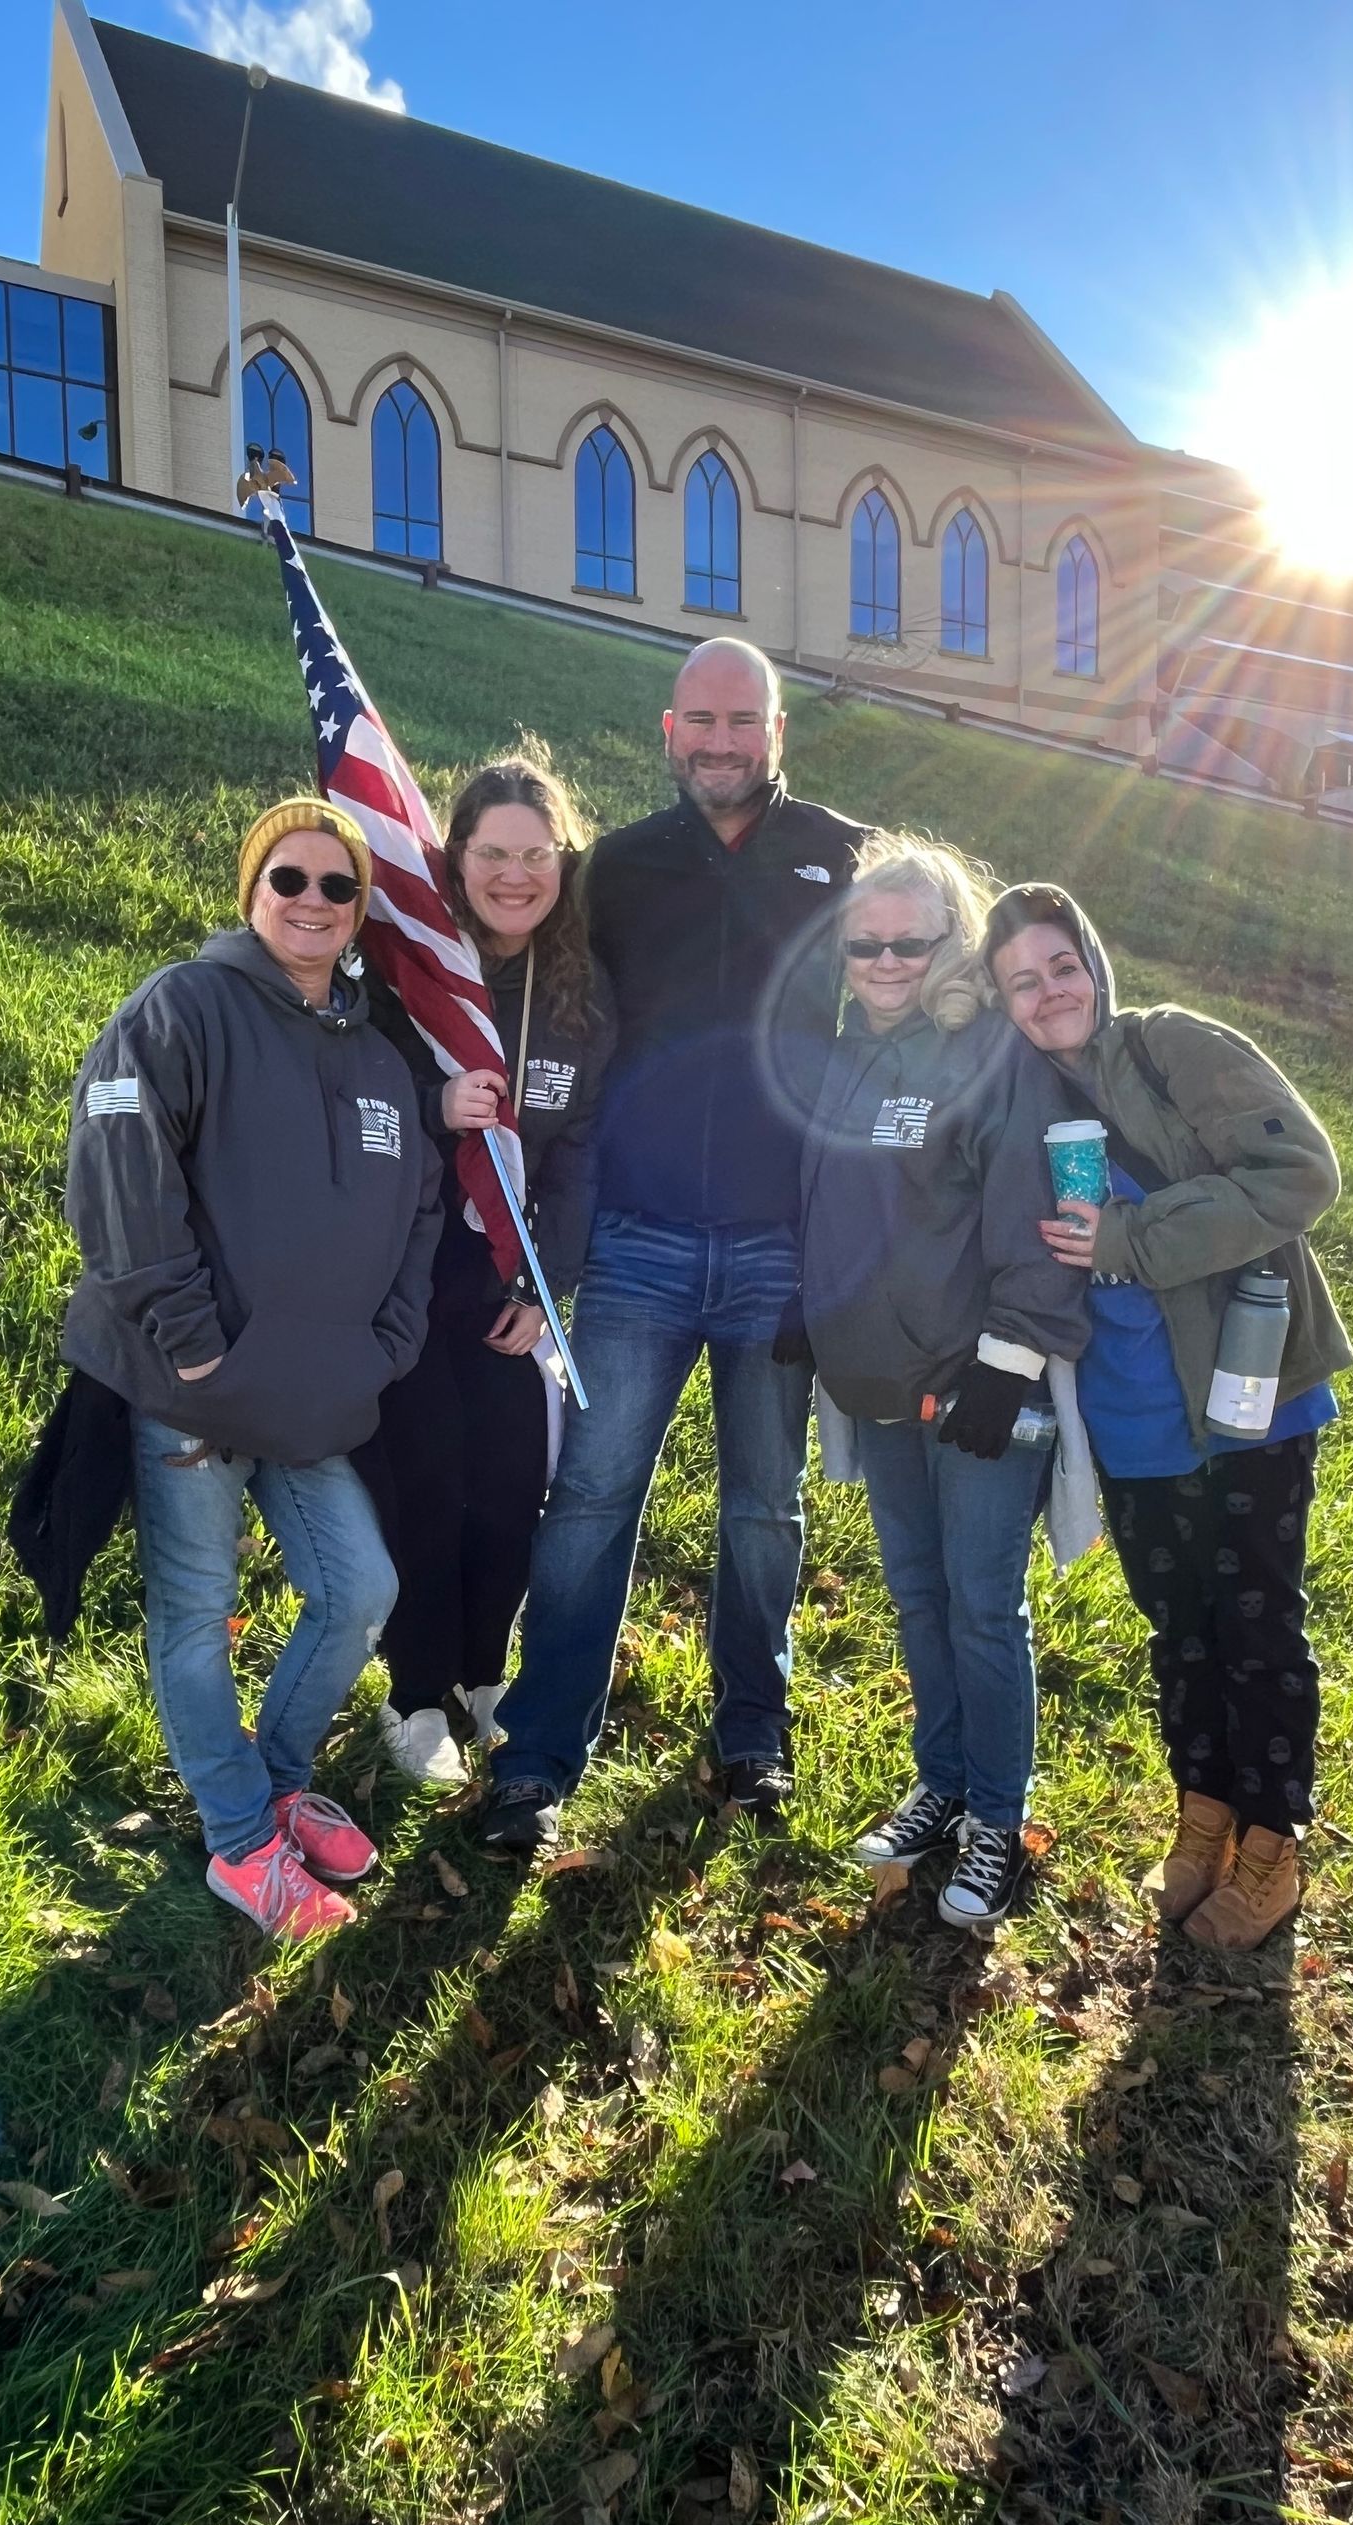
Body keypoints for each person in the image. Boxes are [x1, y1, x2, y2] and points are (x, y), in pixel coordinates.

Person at [479, 639, 865, 1850]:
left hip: (781, 1245)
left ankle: (753, 1735)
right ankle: (538, 1758)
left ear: (777, 728)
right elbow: (529, 983)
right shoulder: (616, 871)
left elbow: (924, 999)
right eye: (699, 718)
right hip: (638, 1238)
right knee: (591, 1495)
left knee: (765, 1509)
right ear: (665, 728)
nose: (719, 740)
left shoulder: (847, 858)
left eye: (741, 719)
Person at [61, 799, 441, 1941]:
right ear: (252, 891)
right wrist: (189, 1335)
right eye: (290, 879)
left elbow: (420, 1211)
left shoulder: (381, 1062)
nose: (312, 902)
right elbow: (118, 1157)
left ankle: (271, 1780)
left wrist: (389, 1346)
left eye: (338, 887)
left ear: (361, 911)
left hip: (318, 1393)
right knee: (196, 1614)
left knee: (360, 1589)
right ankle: (239, 1844)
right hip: (190, 1386)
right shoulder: (183, 1004)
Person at [982, 883, 1353, 1951]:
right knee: (1178, 1628)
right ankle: (1204, 1814)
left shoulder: (1169, 1047)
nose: (1049, 991)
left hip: (1247, 1395)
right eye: (1023, 979)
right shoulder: (1019, 1098)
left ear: (1094, 963)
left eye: (1062, 965)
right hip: (1129, 1415)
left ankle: (1274, 1844)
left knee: (1257, 1621)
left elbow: (1300, 1169)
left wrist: (1131, 1239)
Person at [790, 835, 1090, 1928]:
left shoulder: (988, 1055)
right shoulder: (844, 1051)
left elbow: (1037, 1224)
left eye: (908, 941)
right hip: (880, 1385)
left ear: (950, 938)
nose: (882, 960)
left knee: (980, 1608)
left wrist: (1005, 1368)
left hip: (977, 1395)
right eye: (864, 941)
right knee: (919, 1597)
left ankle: (998, 1824)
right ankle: (945, 1781)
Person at [367, 748, 613, 1785]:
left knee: (512, 1484)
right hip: (409, 1268)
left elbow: (584, 1151)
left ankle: (481, 1668)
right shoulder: (408, 969)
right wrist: (435, 1109)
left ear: (561, 860)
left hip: (513, 1280)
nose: (516, 874)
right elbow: (357, 1110)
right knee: (426, 1479)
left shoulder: (580, 991)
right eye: (492, 853)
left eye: (536, 854)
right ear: (455, 855)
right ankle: (413, 1690)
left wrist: (542, 1285)